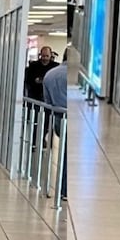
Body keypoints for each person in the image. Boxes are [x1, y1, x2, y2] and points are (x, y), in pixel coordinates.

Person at [42, 52, 69, 200]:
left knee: (64, 153)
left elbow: (47, 101)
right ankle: (66, 189)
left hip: (58, 117)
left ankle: (63, 188)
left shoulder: (50, 74)